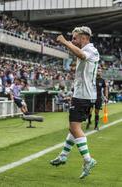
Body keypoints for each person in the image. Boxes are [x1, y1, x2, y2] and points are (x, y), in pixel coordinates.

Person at [49, 26, 99, 179]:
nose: (73, 40)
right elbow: (78, 54)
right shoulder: (89, 50)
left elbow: (81, 55)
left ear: (84, 38)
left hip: (83, 96)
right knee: (73, 128)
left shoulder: (90, 50)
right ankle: (63, 156)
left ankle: (88, 160)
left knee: (75, 127)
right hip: (84, 95)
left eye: (75, 37)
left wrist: (64, 42)